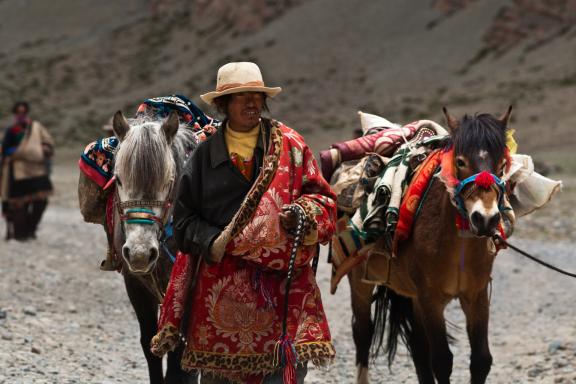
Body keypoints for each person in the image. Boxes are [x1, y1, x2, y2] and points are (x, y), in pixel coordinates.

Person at [151, 62, 337, 383]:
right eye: (241, 97)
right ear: (223, 104)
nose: (252, 103)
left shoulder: (291, 147)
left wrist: (303, 214)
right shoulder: (204, 155)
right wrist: (215, 242)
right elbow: (182, 226)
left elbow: (323, 199)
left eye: (256, 95)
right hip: (221, 297)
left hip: (280, 294)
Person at [1, 101, 54, 241]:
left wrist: (45, 148)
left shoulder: (36, 128)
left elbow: (47, 141)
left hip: (37, 169)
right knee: (20, 204)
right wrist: (17, 151)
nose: (21, 115)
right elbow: (5, 149)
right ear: (15, 114)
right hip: (18, 170)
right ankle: (21, 234)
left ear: (26, 113)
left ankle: (31, 229)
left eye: (23, 112)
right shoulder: (11, 131)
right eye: (18, 112)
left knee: (41, 201)